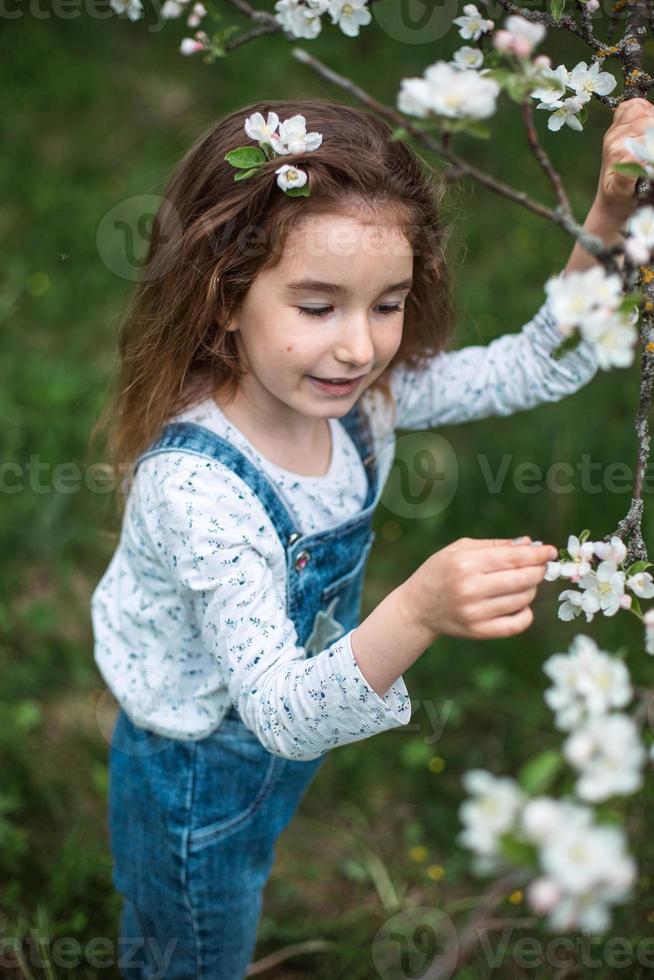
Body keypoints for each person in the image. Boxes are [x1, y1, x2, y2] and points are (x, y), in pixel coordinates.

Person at [89, 96, 635, 978]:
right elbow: (277, 715)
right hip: (197, 769)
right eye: (317, 307)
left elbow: (542, 361)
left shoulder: (357, 409)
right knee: (191, 953)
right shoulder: (197, 489)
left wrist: (610, 215)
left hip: (291, 722)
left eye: (387, 304)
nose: (359, 347)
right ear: (225, 298)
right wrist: (416, 608)